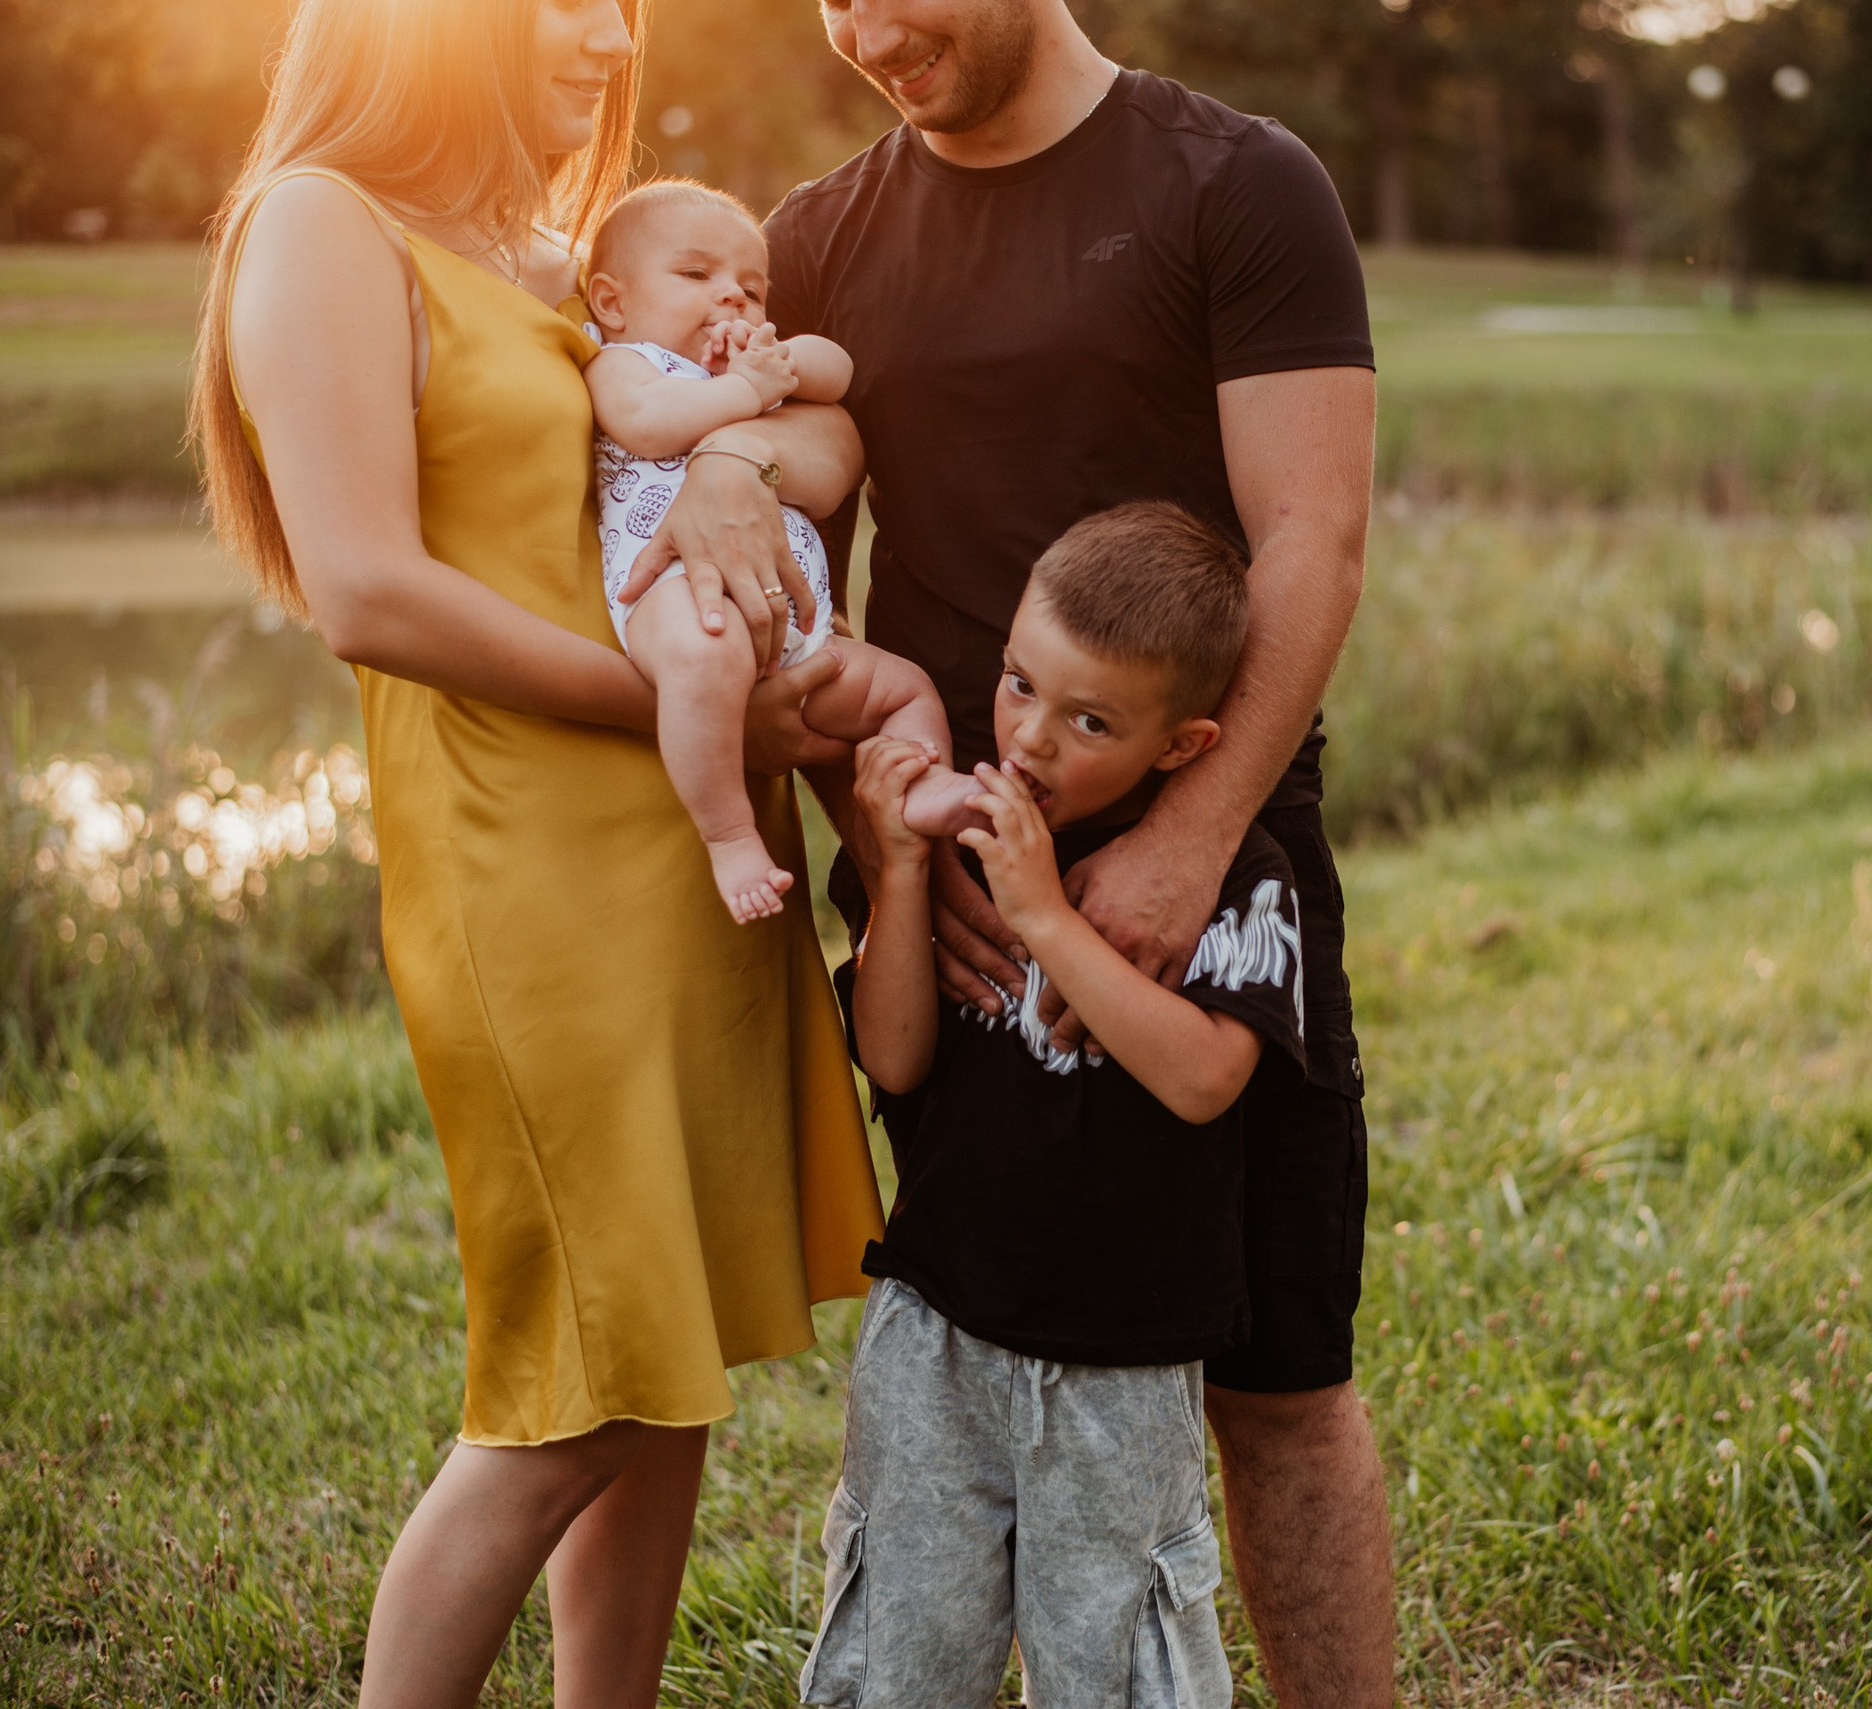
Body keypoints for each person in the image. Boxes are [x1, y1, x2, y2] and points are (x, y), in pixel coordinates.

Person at [188, 1, 885, 1703]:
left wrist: (727, 458)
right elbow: (366, 590)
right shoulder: (319, 223)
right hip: (527, 860)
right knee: (573, 1378)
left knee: (668, 1363)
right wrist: (675, 708)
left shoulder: (561, 254)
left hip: (691, 853)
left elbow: (788, 440)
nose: (600, 33)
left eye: (619, 4)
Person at [744, 0, 1397, 1698]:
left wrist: (1187, 838)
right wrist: (893, 849)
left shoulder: (1243, 187)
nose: (869, 28)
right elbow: (794, 629)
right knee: (962, 1354)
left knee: (1278, 1372)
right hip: (951, 917)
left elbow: (1313, 542)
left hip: (1216, 882)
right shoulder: (816, 240)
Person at [813, 503, 1303, 1708]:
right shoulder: (964, 828)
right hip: (936, 1329)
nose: (1029, 737)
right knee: (904, 1649)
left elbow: (1202, 1077)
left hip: (1120, 1357)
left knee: (1115, 1655)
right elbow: (896, 1057)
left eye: (1090, 720)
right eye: (1019, 683)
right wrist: (897, 872)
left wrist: (1044, 918)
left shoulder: (1225, 878)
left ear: (1185, 745)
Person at [581, 179, 979, 921]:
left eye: (753, 288)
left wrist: (782, 357)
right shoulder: (626, 366)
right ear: (613, 302)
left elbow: (838, 373)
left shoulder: (756, 369)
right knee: (705, 660)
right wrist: (746, 392)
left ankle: (921, 787)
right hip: (677, 595)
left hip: (797, 624)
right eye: (697, 275)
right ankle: (730, 834)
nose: (732, 297)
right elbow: (650, 424)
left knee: (903, 689)